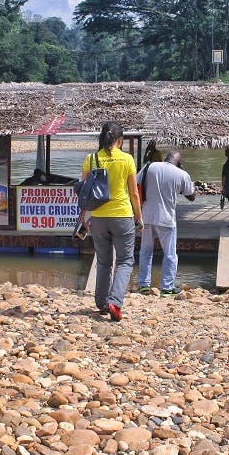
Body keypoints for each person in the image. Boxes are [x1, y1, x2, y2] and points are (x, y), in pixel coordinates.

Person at [82, 121, 143, 322]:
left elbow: (83, 192)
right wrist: (139, 217)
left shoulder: (90, 159)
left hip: (98, 217)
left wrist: (83, 216)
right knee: (125, 261)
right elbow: (134, 193)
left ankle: (101, 302)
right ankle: (115, 301)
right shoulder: (126, 159)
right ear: (120, 140)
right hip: (122, 216)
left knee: (104, 261)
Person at [137, 150, 196, 297]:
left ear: (165, 158)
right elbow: (192, 196)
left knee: (145, 251)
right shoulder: (181, 174)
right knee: (170, 255)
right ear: (179, 162)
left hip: (147, 217)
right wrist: (182, 174)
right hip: (167, 220)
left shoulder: (149, 167)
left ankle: (143, 285)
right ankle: (167, 287)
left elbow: (136, 184)